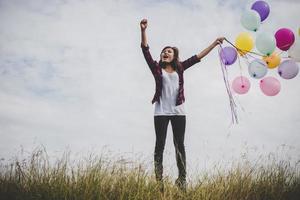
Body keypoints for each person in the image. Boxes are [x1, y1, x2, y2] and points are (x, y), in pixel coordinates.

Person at [140, 18, 224, 192]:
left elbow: (198, 57)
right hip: (161, 113)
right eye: (163, 51)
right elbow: (145, 50)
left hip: (179, 112)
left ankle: (182, 180)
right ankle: (159, 183)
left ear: (174, 56)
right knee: (159, 146)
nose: (165, 52)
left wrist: (214, 44)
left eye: (169, 51)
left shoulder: (180, 68)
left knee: (180, 145)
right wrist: (143, 31)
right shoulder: (156, 68)